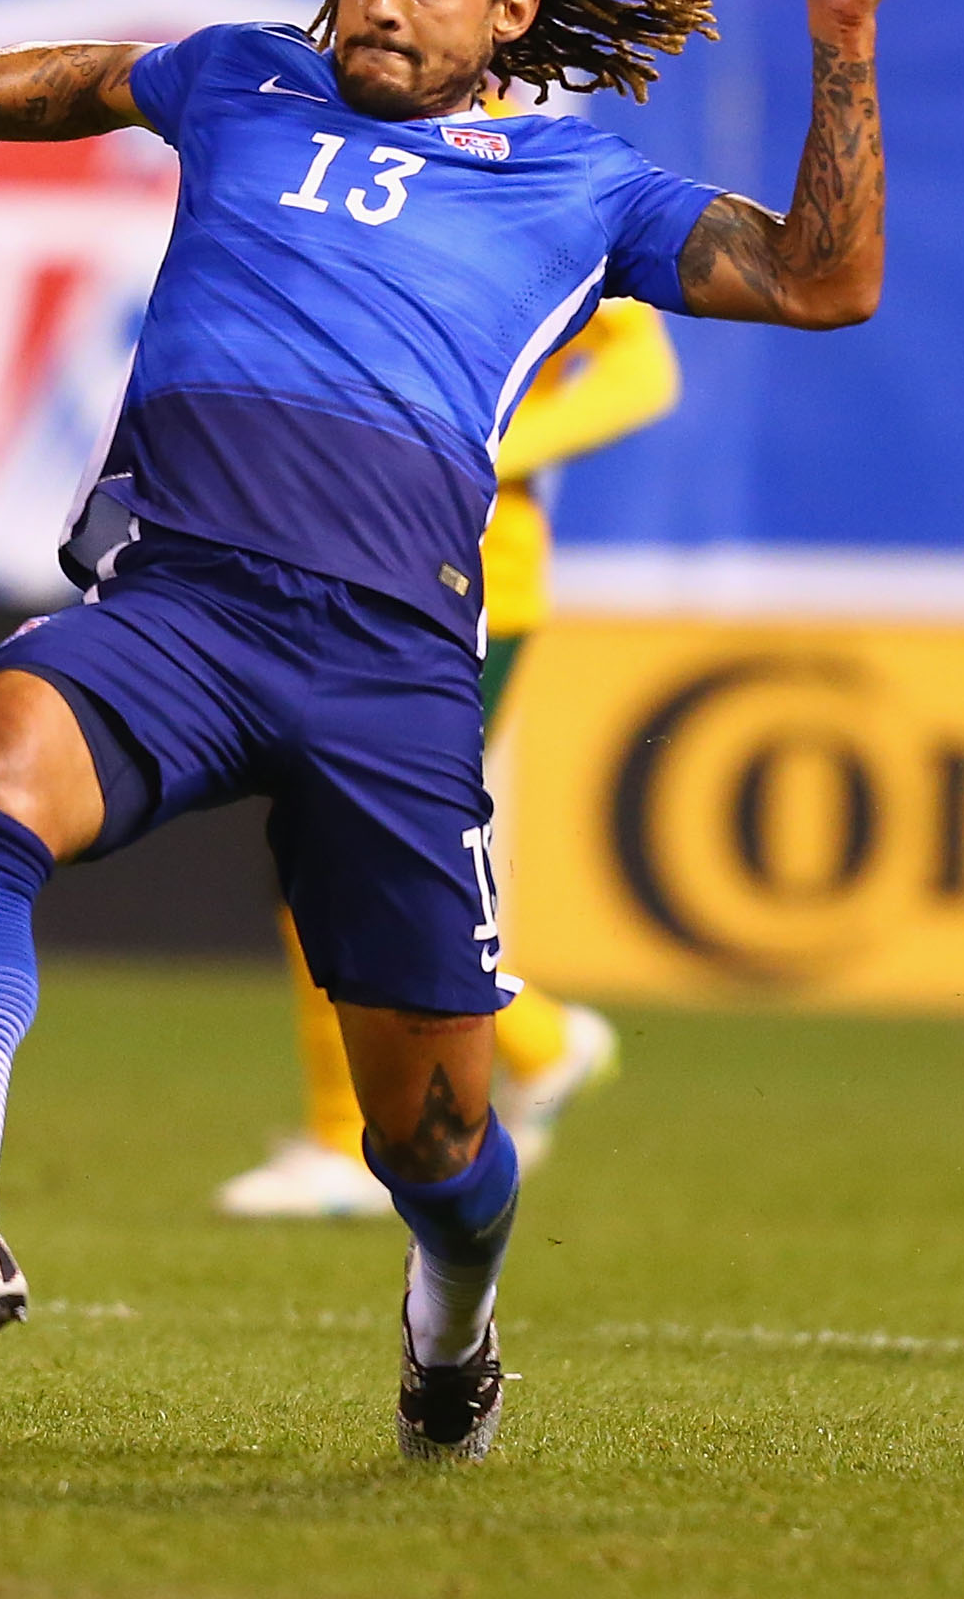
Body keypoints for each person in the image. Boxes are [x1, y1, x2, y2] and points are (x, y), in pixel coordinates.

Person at [0, 0, 917, 1460]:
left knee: (435, 1140)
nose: (377, 3)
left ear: (513, 14)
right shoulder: (243, 80)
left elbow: (827, 281)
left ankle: (453, 1319)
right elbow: (87, 79)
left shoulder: (581, 184)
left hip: (389, 674)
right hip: (184, 609)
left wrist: (846, 37)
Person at [217, 296, 677, 1217]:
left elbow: (643, 371)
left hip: (469, 587)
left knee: (359, 854)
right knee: (328, 850)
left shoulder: (533, 187)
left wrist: (496, 447)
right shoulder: (342, 197)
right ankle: (535, 1042)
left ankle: (356, 1133)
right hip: (344, 571)